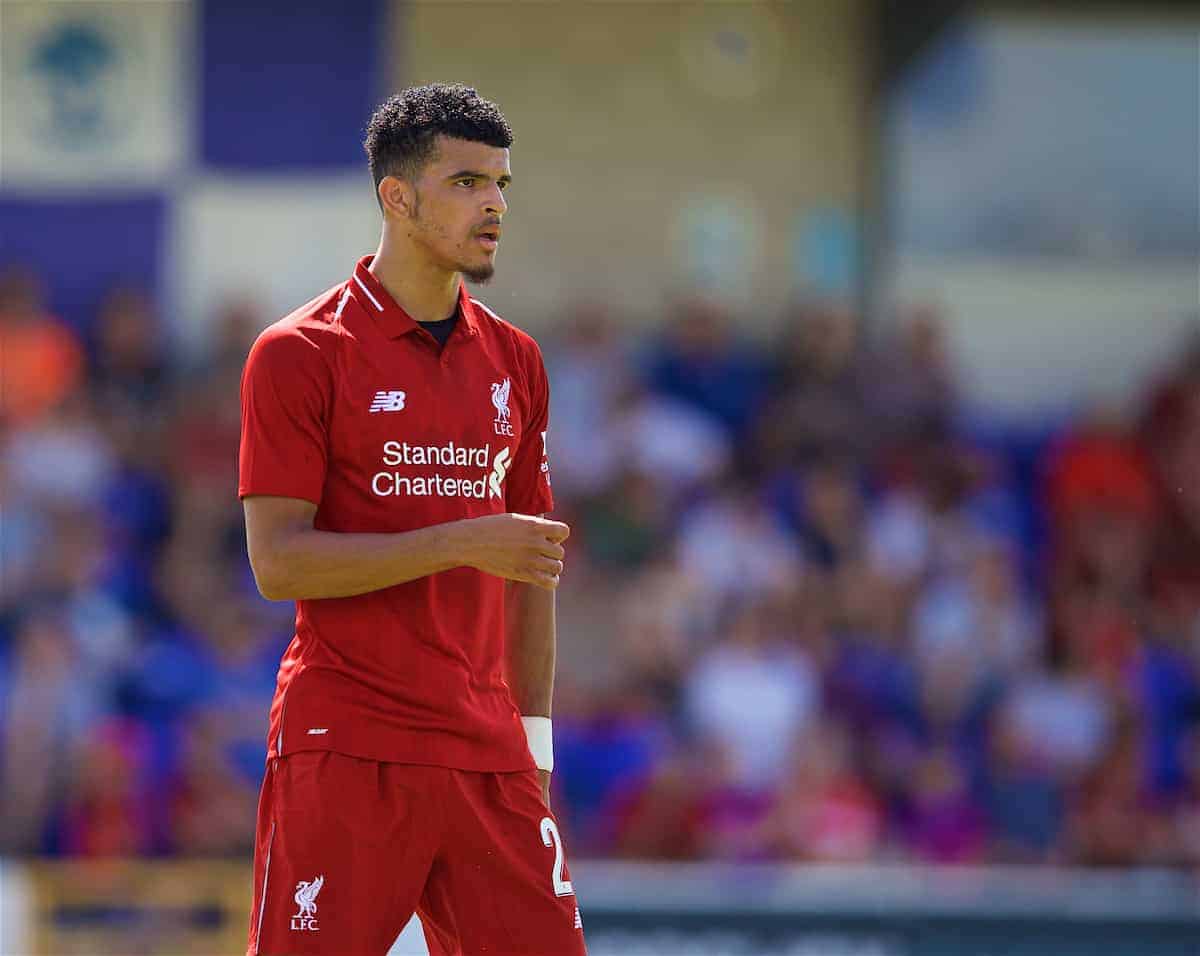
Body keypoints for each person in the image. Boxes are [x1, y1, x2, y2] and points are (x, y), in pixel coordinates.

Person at [239, 84, 585, 956]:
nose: (496, 205)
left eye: (502, 184)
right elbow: (277, 565)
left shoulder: (518, 360)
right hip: (348, 744)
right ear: (397, 197)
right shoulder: (299, 353)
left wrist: (534, 747)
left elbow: (530, 572)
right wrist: (464, 542)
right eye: (467, 182)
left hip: (491, 757)